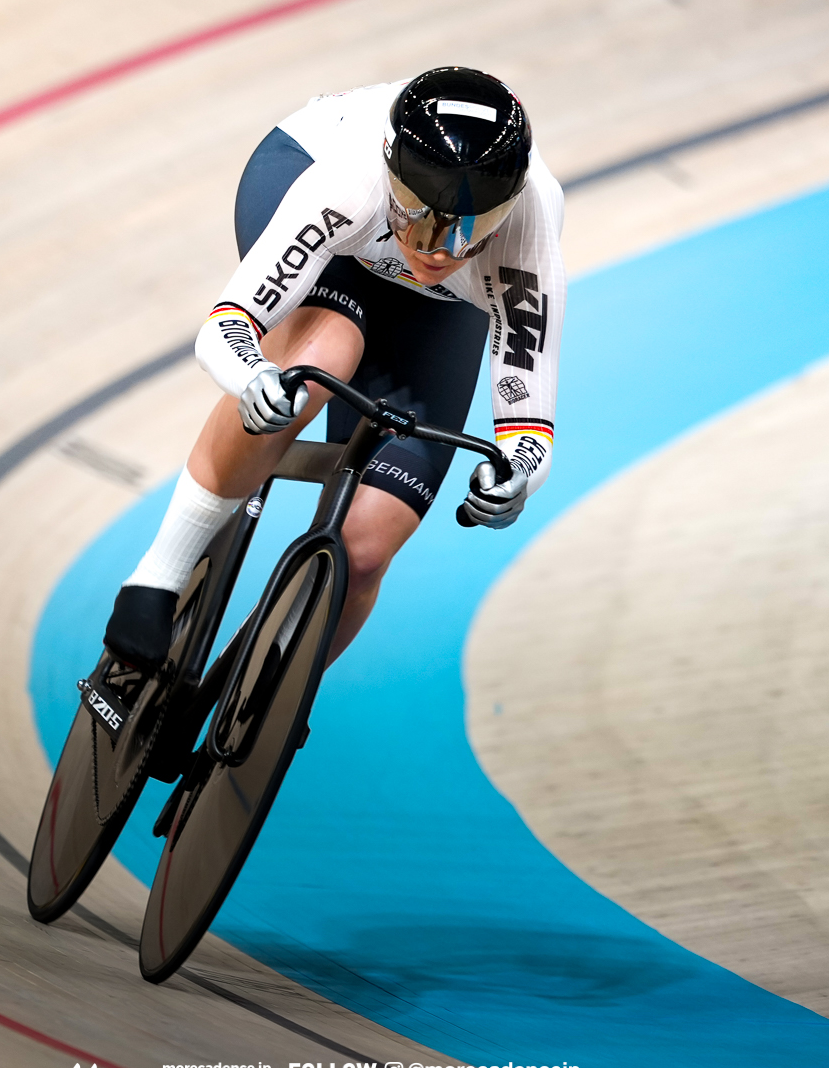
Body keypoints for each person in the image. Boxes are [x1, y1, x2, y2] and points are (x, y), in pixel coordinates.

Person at [103, 65, 565, 670]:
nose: (439, 249)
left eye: (472, 231)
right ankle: (157, 574)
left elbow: (528, 424)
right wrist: (253, 379)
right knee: (324, 356)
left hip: (439, 303)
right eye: (420, 217)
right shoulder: (349, 179)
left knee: (368, 547)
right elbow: (226, 326)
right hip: (309, 184)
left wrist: (515, 480)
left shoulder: (528, 236)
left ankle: (264, 686)